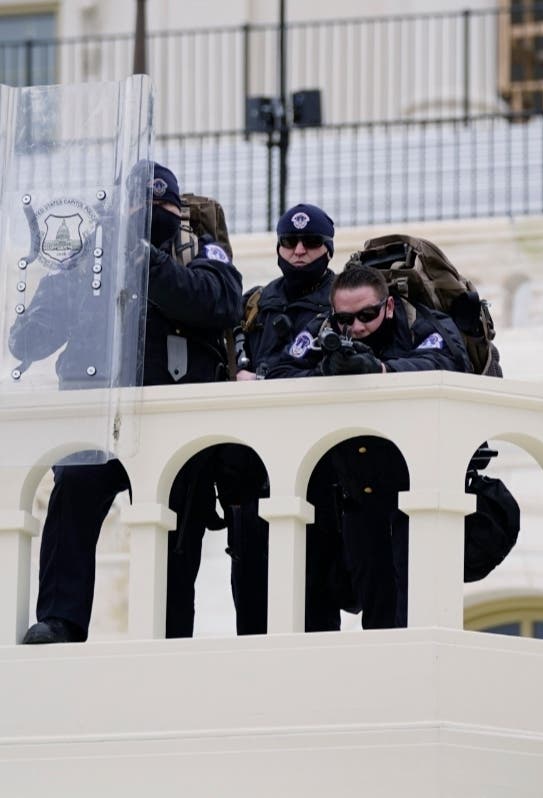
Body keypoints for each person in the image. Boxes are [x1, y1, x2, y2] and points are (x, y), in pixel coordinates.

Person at [15, 164, 242, 644]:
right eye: (138, 205)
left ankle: (166, 637)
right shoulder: (90, 256)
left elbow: (219, 302)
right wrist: (33, 313)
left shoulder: (197, 250)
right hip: (99, 416)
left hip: (174, 419)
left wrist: (145, 259)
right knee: (72, 493)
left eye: (160, 206)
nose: (148, 214)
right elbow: (36, 335)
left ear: (177, 208)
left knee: (176, 533)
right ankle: (61, 621)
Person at [271, 264, 472, 628]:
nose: (357, 327)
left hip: (415, 487)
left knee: (420, 606)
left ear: (388, 306)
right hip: (358, 494)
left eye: (367, 315)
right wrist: (324, 374)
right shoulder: (323, 331)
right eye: (346, 319)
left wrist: (381, 371)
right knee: (376, 608)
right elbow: (279, 374)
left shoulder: (420, 325)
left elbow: (448, 363)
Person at [223, 202, 341, 634]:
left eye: (310, 242)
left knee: (315, 598)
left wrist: (264, 378)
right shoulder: (255, 304)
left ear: (327, 248)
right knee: (251, 595)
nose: (299, 251)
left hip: (317, 469)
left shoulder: (343, 303)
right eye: (289, 242)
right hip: (254, 468)